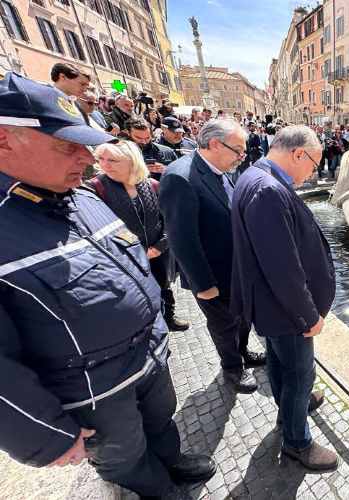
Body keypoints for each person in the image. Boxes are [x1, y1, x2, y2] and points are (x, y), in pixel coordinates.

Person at [0, 73, 214, 500]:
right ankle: (159, 491)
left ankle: (172, 462)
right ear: (5, 139)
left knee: (161, 423)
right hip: (94, 392)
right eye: (66, 145)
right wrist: (44, 437)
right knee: (124, 455)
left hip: (149, 362)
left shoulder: (84, 197)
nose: (87, 157)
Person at [230, 125, 337, 471]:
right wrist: (309, 316)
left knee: (280, 363)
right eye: (313, 163)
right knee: (300, 375)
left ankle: (291, 407)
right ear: (297, 154)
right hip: (286, 311)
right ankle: (297, 442)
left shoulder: (254, 176)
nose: (313, 172)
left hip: (270, 306)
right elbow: (283, 269)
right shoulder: (268, 191)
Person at [160, 119, 265, 391]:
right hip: (212, 275)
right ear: (216, 144)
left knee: (242, 317)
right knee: (223, 324)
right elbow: (182, 239)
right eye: (238, 150)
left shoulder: (220, 169)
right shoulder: (179, 177)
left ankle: (242, 353)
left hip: (235, 269)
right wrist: (203, 285)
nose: (242, 156)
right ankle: (232, 368)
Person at [87, 140, 189, 332]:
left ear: (132, 162)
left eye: (113, 160)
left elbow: (170, 219)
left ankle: (168, 317)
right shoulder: (95, 189)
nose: (105, 165)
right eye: (102, 159)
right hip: (124, 258)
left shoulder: (153, 186)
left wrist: (160, 245)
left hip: (157, 252)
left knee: (163, 285)